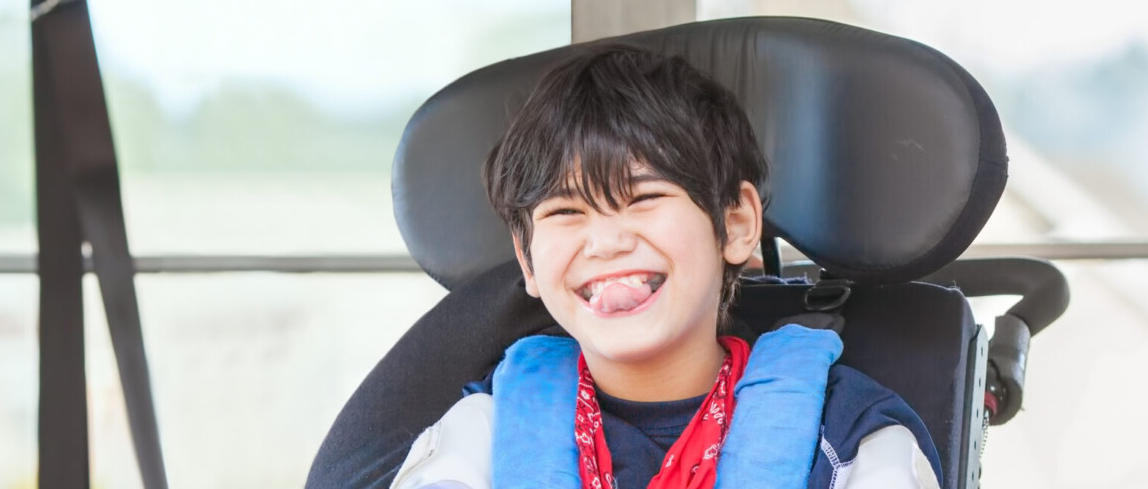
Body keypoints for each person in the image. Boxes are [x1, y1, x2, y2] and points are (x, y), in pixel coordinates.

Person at [390, 43, 942, 489]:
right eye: (565, 211)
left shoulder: (850, 441)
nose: (604, 242)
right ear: (526, 260)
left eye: (643, 198)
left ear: (734, 224)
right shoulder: (483, 437)